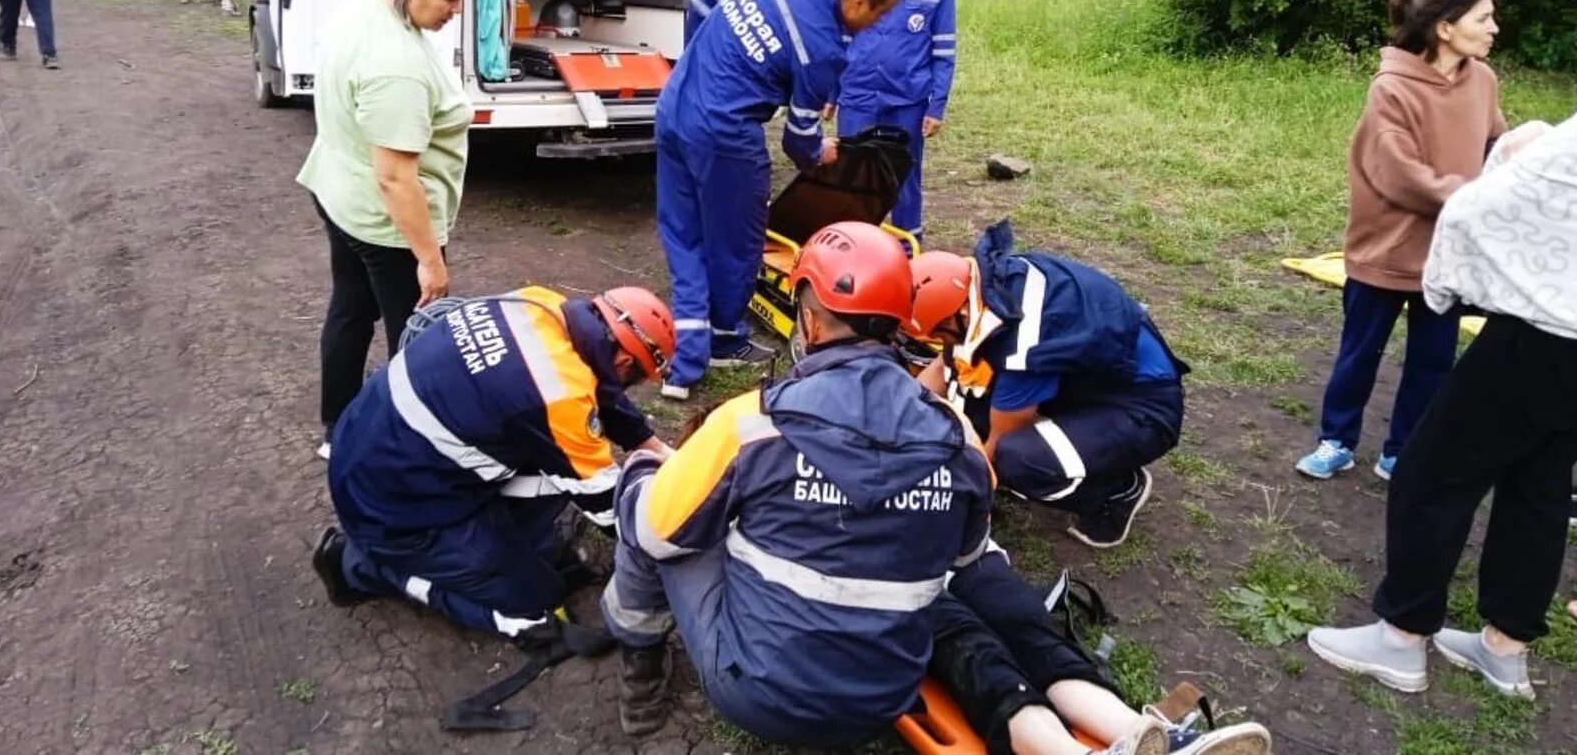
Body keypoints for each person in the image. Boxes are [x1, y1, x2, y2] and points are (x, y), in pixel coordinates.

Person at [601, 222, 995, 745]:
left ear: (808, 321)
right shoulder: (959, 441)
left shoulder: (750, 424)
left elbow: (654, 532)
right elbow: (966, 562)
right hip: (888, 697)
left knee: (648, 493)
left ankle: (641, 683)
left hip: (758, 693)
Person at [1307, 112, 1577, 701]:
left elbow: (1474, 210)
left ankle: (1401, 638)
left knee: (1431, 474)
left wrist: (1513, 151)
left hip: (1542, 336)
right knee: (1540, 489)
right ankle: (1505, 649)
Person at [310, 285, 677, 648]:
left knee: (553, 484)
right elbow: (607, 507)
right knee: (533, 609)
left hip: (371, 447)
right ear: (626, 362)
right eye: (637, 378)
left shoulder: (541, 304)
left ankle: (505, 549)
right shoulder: (555, 395)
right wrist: (676, 542)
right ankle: (359, 565)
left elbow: (599, 392)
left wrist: (661, 452)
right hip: (392, 509)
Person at [654, 0, 904, 400]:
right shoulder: (823, 51)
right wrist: (820, 153)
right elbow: (798, 139)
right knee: (738, 238)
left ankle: (686, 358)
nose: (877, 24)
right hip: (725, 133)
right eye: (881, 14)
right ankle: (724, 339)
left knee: (683, 231)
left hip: (674, 104)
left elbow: (701, 5)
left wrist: (706, 64)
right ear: (860, 2)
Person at [1293, 0, 1505, 482]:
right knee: (1358, 355)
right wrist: (1470, 196)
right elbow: (1399, 172)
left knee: (1433, 362)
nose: (1495, 28)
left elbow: (1498, 143)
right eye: (1484, 18)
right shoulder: (1391, 88)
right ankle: (1336, 440)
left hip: (1445, 256)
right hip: (1383, 252)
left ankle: (1401, 451)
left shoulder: (1483, 81)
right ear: (1446, 28)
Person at [295, 0, 476, 455]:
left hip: (338, 190)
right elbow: (395, 177)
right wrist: (430, 261)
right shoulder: (395, 66)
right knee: (414, 340)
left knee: (350, 308)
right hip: (385, 223)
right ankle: (406, 447)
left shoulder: (363, 9)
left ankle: (339, 429)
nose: (456, 10)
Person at [903, 221, 1189, 548]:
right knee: (967, 406)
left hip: (1143, 407)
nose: (938, 342)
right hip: (1094, 378)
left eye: (938, 333)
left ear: (962, 314)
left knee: (1015, 459)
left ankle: (1114, 493)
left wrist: (941, 497)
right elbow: (947, 364)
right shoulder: (987, 286)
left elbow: (997, 444)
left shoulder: (1021, 345)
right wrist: (896, 414)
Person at [932, 552, 1274, 755]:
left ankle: (1156, 738)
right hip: (888, 566)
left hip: (959, 548)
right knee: (969, 643)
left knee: (1022, 623)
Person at [825, 0, 956, 245]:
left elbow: (943, 52)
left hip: (907, 101)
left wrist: (936, 106)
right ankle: (853, 252)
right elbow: (840, 38)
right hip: (858, 95)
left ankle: (906, 254)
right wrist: (830, 92)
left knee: (903, 178)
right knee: (853, 177)